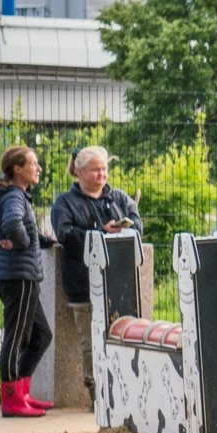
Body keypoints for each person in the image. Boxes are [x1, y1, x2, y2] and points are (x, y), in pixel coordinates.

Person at [49, 145, 142, 396]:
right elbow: (65, 234)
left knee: (123, 335)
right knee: (90, 340)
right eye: (95, 170)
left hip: (120, 281)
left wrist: (124, 230)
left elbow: (138, 226)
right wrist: (101, 233)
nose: (101, 175)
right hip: (83, 282)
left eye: (104, 169)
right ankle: (97, 392)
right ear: (78, 171)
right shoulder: (64, 203)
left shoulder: (120, 199)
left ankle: (125, 390)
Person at [0, 145, 56, 418]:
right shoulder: (14, 196)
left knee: (41, 335)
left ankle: (22, 392)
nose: (39, 168)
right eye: (33, 164)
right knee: (16, 339)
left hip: (20, 274)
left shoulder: (16, 195)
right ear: (17, 169)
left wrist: (47, 241)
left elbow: (24, 229)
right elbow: (14, 225)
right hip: (18, 276)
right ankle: (12, 401)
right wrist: (22, 244)